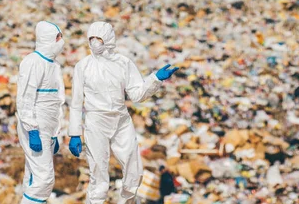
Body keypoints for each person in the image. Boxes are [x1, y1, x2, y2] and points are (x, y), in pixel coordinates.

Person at [68, 21, 179, 204]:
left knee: (134, 171)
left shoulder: (123, 63)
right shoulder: (83, 66)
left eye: (99, 38)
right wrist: (74, 134)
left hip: (121, 120)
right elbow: (76, 102)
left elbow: (136, 94)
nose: (95, 42)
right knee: (98, 175)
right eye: (92, 38)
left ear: (109, 39)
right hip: (96, 122)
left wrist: (154, 80)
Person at [16, 21, 66, 204]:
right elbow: (25, 98)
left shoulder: (54, 65)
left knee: (34, 174)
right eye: (58, 37)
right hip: (35, 128)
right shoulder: (33, 62)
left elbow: (56, 102)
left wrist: (55, 134)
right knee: (44, 178)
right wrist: (32, 129)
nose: (61, 41)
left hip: (47, 128)